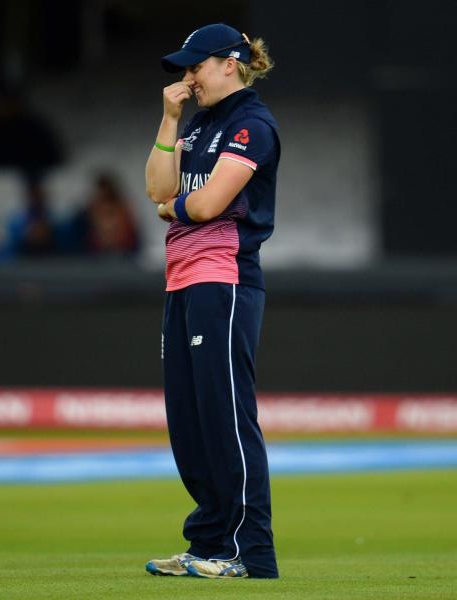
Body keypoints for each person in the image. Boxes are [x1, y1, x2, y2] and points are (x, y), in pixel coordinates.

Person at [143, 23, 280, 580]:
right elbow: (156, 189)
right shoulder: (196, 124)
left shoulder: (253, 124)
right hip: (182, 279)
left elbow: (205, 205)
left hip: (224, 279)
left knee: (225, 416)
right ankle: (208, 544)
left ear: (230, 63)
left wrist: (177, 204)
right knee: (190, 419)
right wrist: (171, 121)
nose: (187, 77)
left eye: (196, 66)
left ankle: (251, 553)